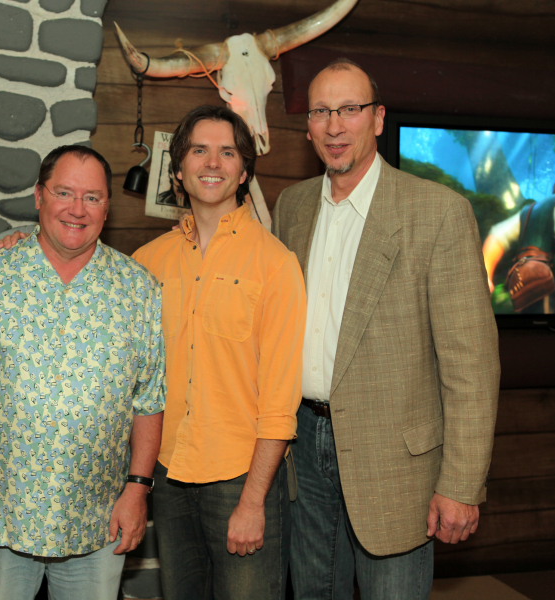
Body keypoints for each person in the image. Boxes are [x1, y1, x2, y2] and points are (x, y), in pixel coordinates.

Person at [271, 59, 500, 599]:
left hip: (396, 467)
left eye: (349, 109)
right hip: (303, 450)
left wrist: (461, 485)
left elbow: (471, 367)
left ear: (377, 119)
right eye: (321, 112)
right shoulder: (292, 207)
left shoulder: (438, 212)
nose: (334, 126)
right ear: (307, 127)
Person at [0, 145, 166, 600]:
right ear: (38, 196)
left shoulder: (139, 290)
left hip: (97, 523)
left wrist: (137, 492)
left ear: (107, 207)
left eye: (92, 197)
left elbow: (148, 402)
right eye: (64, 193)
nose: (77, 209)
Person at [133, 105, 306, 599]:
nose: (212, 163)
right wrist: (25, 243)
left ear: (244, 171)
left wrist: (253, 502)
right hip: (168, 474)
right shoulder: (147, 263)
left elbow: (280, 403)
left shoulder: (276, 264)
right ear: (178, 169)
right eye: (199, 151)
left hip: (243, 477)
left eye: (227, 152)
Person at [483, 176, 555, 313]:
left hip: (522, 283)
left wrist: (485, 275)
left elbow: (497, 235)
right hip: (541, 281)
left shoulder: (529, 210)